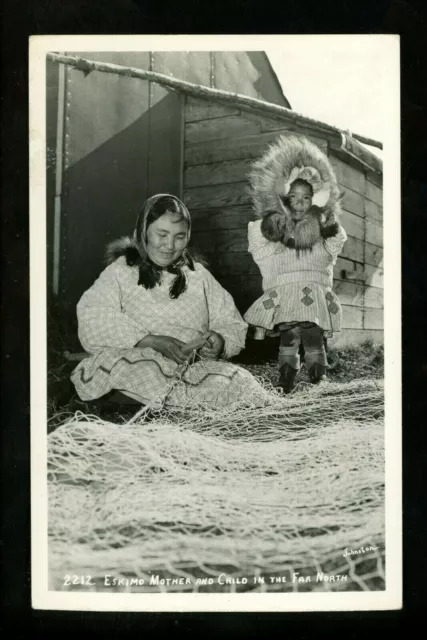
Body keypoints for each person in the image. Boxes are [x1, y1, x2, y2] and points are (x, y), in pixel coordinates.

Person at [71, 193, 263, 410]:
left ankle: (161, 402)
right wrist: (149, 340)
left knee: (237, 380)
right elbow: (93, 315)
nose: (169, 245)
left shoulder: (197, 275)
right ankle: (158, 401)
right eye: (161, 234)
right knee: (141, 371)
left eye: (179, 237)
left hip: (190, 367)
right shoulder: (122, 271)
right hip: (136, 360)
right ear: (142, 233)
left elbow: (231, 321)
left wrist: (220, 341)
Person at [243, 134, 347, 393]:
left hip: (313, 294)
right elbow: (257, 246)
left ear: (315, 201)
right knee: (288, 338)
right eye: (293, 198)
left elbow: (336, 243)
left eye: (305, 199)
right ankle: (286, 378)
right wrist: (268, 220)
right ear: (284, 200)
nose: (299, 204)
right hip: (288, 296)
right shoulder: (276, 237)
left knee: (314, 337)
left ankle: (318, 378)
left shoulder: (320, 235)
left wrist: (331, 225)